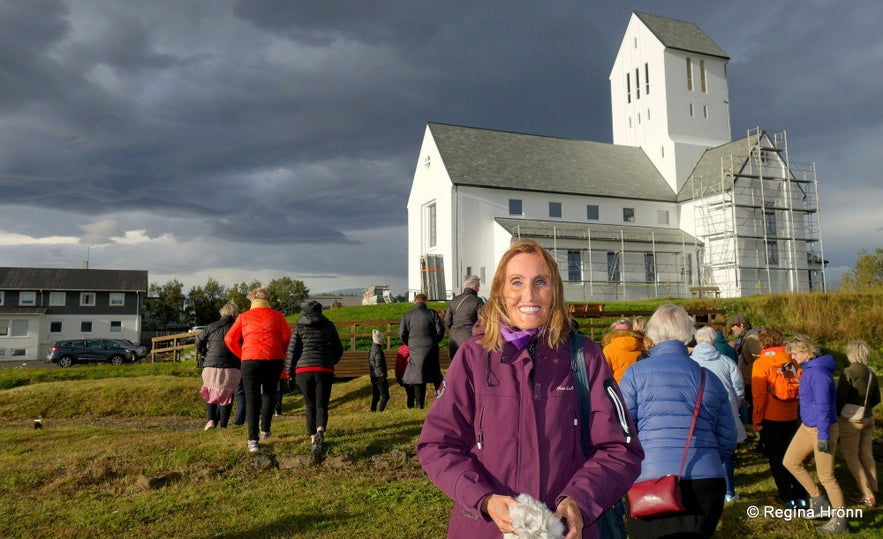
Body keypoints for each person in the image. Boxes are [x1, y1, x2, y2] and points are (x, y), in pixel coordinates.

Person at [417, 239, 643, 538]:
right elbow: (437, 444)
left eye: (540, 282)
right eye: (516, 282)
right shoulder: (473, 356)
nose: (529, 294)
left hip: (564, 531)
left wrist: (580, 500)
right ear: (500, 292)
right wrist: (484, 499)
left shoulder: (585, 356)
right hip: (485, 530)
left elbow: (620, 448)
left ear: (555, 291)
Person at [620, 304, 736, 539]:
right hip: (706, 478)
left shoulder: (634, 374)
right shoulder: (708, 377)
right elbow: (727, 436)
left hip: (650, 479)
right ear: (688, 333)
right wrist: (711, 457)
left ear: (652, 333)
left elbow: (623, 432)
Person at [782, 334, 847, 534]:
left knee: (826, 476)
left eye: (795, 352)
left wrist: (823, 437)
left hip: (821, 428)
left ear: (806, 351)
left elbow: (824, 406)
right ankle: (818, 500)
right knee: (790, 461)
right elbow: (809, 396)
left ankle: (840, 522)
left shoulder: (818, 373)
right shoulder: (809, 369)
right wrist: (793, 375)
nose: (792, 356)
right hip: (808, 426)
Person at [224, 287, 292, 453]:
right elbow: (287, 338)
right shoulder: (278, 316)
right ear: (268, 300)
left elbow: (229, 339)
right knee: (269, 394)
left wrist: (242, 354)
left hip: (250, 360)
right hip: (273, 358)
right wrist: (281, 351)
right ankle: (265, 430)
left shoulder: (244, 317)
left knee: (251, 398)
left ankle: (252, 440)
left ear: (252, 300)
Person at [751, 327, 808, 508]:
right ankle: (801, 494)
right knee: (794, 457)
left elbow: (759, 396)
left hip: (771, 416)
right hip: (792, 414)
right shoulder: (792, 359)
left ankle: (785, 495)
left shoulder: (761, 363)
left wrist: (757, 420)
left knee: (776, 458)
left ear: (762, 342)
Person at [691, 326, 746, 502]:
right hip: (725, 409)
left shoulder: (689, 363)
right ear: (714, 341)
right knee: (726, 450)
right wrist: (735, 405)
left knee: (701, 451)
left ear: (696, 341)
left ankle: (704, 491)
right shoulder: (726, 361)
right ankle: (729, 491)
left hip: (698, 412)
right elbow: (738, 388)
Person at [285, 300, 344, 460]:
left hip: (303, 369)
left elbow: (292, 351)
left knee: (310, 404)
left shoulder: (299, 326)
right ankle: (320, 430)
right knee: (321, 404)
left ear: (305, 312)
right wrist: (330, 361)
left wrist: (289, 373)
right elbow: (339, 349)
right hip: (324, 368)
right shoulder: (329, 325)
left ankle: (312, 439)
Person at [836, 339, 880, 507]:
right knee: (867, 455)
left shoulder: (848, 372)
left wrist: (836, 414)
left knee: (851, 456)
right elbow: (877, 399)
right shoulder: (871, 373)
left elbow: (841, 398)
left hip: (851, 419)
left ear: (851, 353)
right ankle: (873, 488)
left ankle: (867, 494)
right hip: (868, 417)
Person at [195, 302, 241, 430]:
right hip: (231, 366)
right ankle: (223, 425)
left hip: (210, 365)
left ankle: (210, 421)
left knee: (210, 392)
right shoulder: (237, 327)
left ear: (222, 313)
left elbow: (198, 343)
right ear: (235, 314)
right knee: (227, 394)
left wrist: (206, 353)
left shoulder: (211, 326)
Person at [398, 293, 445, 409]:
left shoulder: (407, 315)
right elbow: (440, 330)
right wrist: (435, 341)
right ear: (426, 301)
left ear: (415, 301)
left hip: (415, 348)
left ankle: (419, 404)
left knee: (418, 376)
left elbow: (401, 333)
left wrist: (409, 344)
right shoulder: (432, 313)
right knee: (436, 375)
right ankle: (442, 401)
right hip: (431, 347)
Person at [729, 314, 761, 432]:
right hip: (749, 378)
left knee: (753, 405)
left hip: (753, 379)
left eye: (734, 326)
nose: (732, 328)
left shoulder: (751, 339)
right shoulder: (744, 338)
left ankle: (755, 428)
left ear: (741, 325)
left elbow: (759, 359)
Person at [444, 275, 484, 361]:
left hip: (454, 338)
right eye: (478, 286)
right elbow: (482, 322)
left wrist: (456, 329)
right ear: (474, 286)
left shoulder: (454, 300)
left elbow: (447, 321)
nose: (479, 289)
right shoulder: (477, 301)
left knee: (455, 363)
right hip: (469, 337)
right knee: (470, 363)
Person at [601, 318, 645, 383]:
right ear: (632, 331)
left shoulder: (608, 349)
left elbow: (604, 373)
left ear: (614, 332)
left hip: (618, 386)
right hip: (641, 384)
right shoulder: (643, 346)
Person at [368, 329, 390, 412]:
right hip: (379, 376)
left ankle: (372, 410)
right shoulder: (378, 350)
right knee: (385, 396)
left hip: (373, 375)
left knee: (376, 395)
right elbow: (378, 364)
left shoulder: (371, 349)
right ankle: (380, 411)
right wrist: (382, 376)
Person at [394, 344, 416, 408]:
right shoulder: (419, 346)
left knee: (410, 395)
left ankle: (411, 409)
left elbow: (399, 364)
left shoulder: (403, 348)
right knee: (417, 395)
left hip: (406, 375)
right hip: (417, 375)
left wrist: (398, 376)